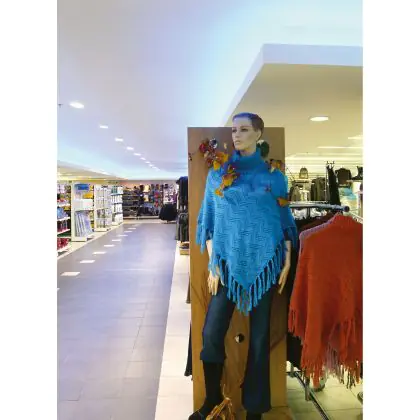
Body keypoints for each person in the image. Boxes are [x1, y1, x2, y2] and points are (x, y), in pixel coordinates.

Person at [190, 112, 298, 420]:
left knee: (260, 339)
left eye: (244, 129)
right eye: (234, 129)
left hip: (266, 267)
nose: (236, 135)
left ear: (258, 134)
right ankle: (212, 398)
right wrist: (214, 263)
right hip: (226, 268)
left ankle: (255, 410)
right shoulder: (218, 175)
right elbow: (210, 223)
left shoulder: (274, 177)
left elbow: (282, 220)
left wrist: (287, 257)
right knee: (211, 333)